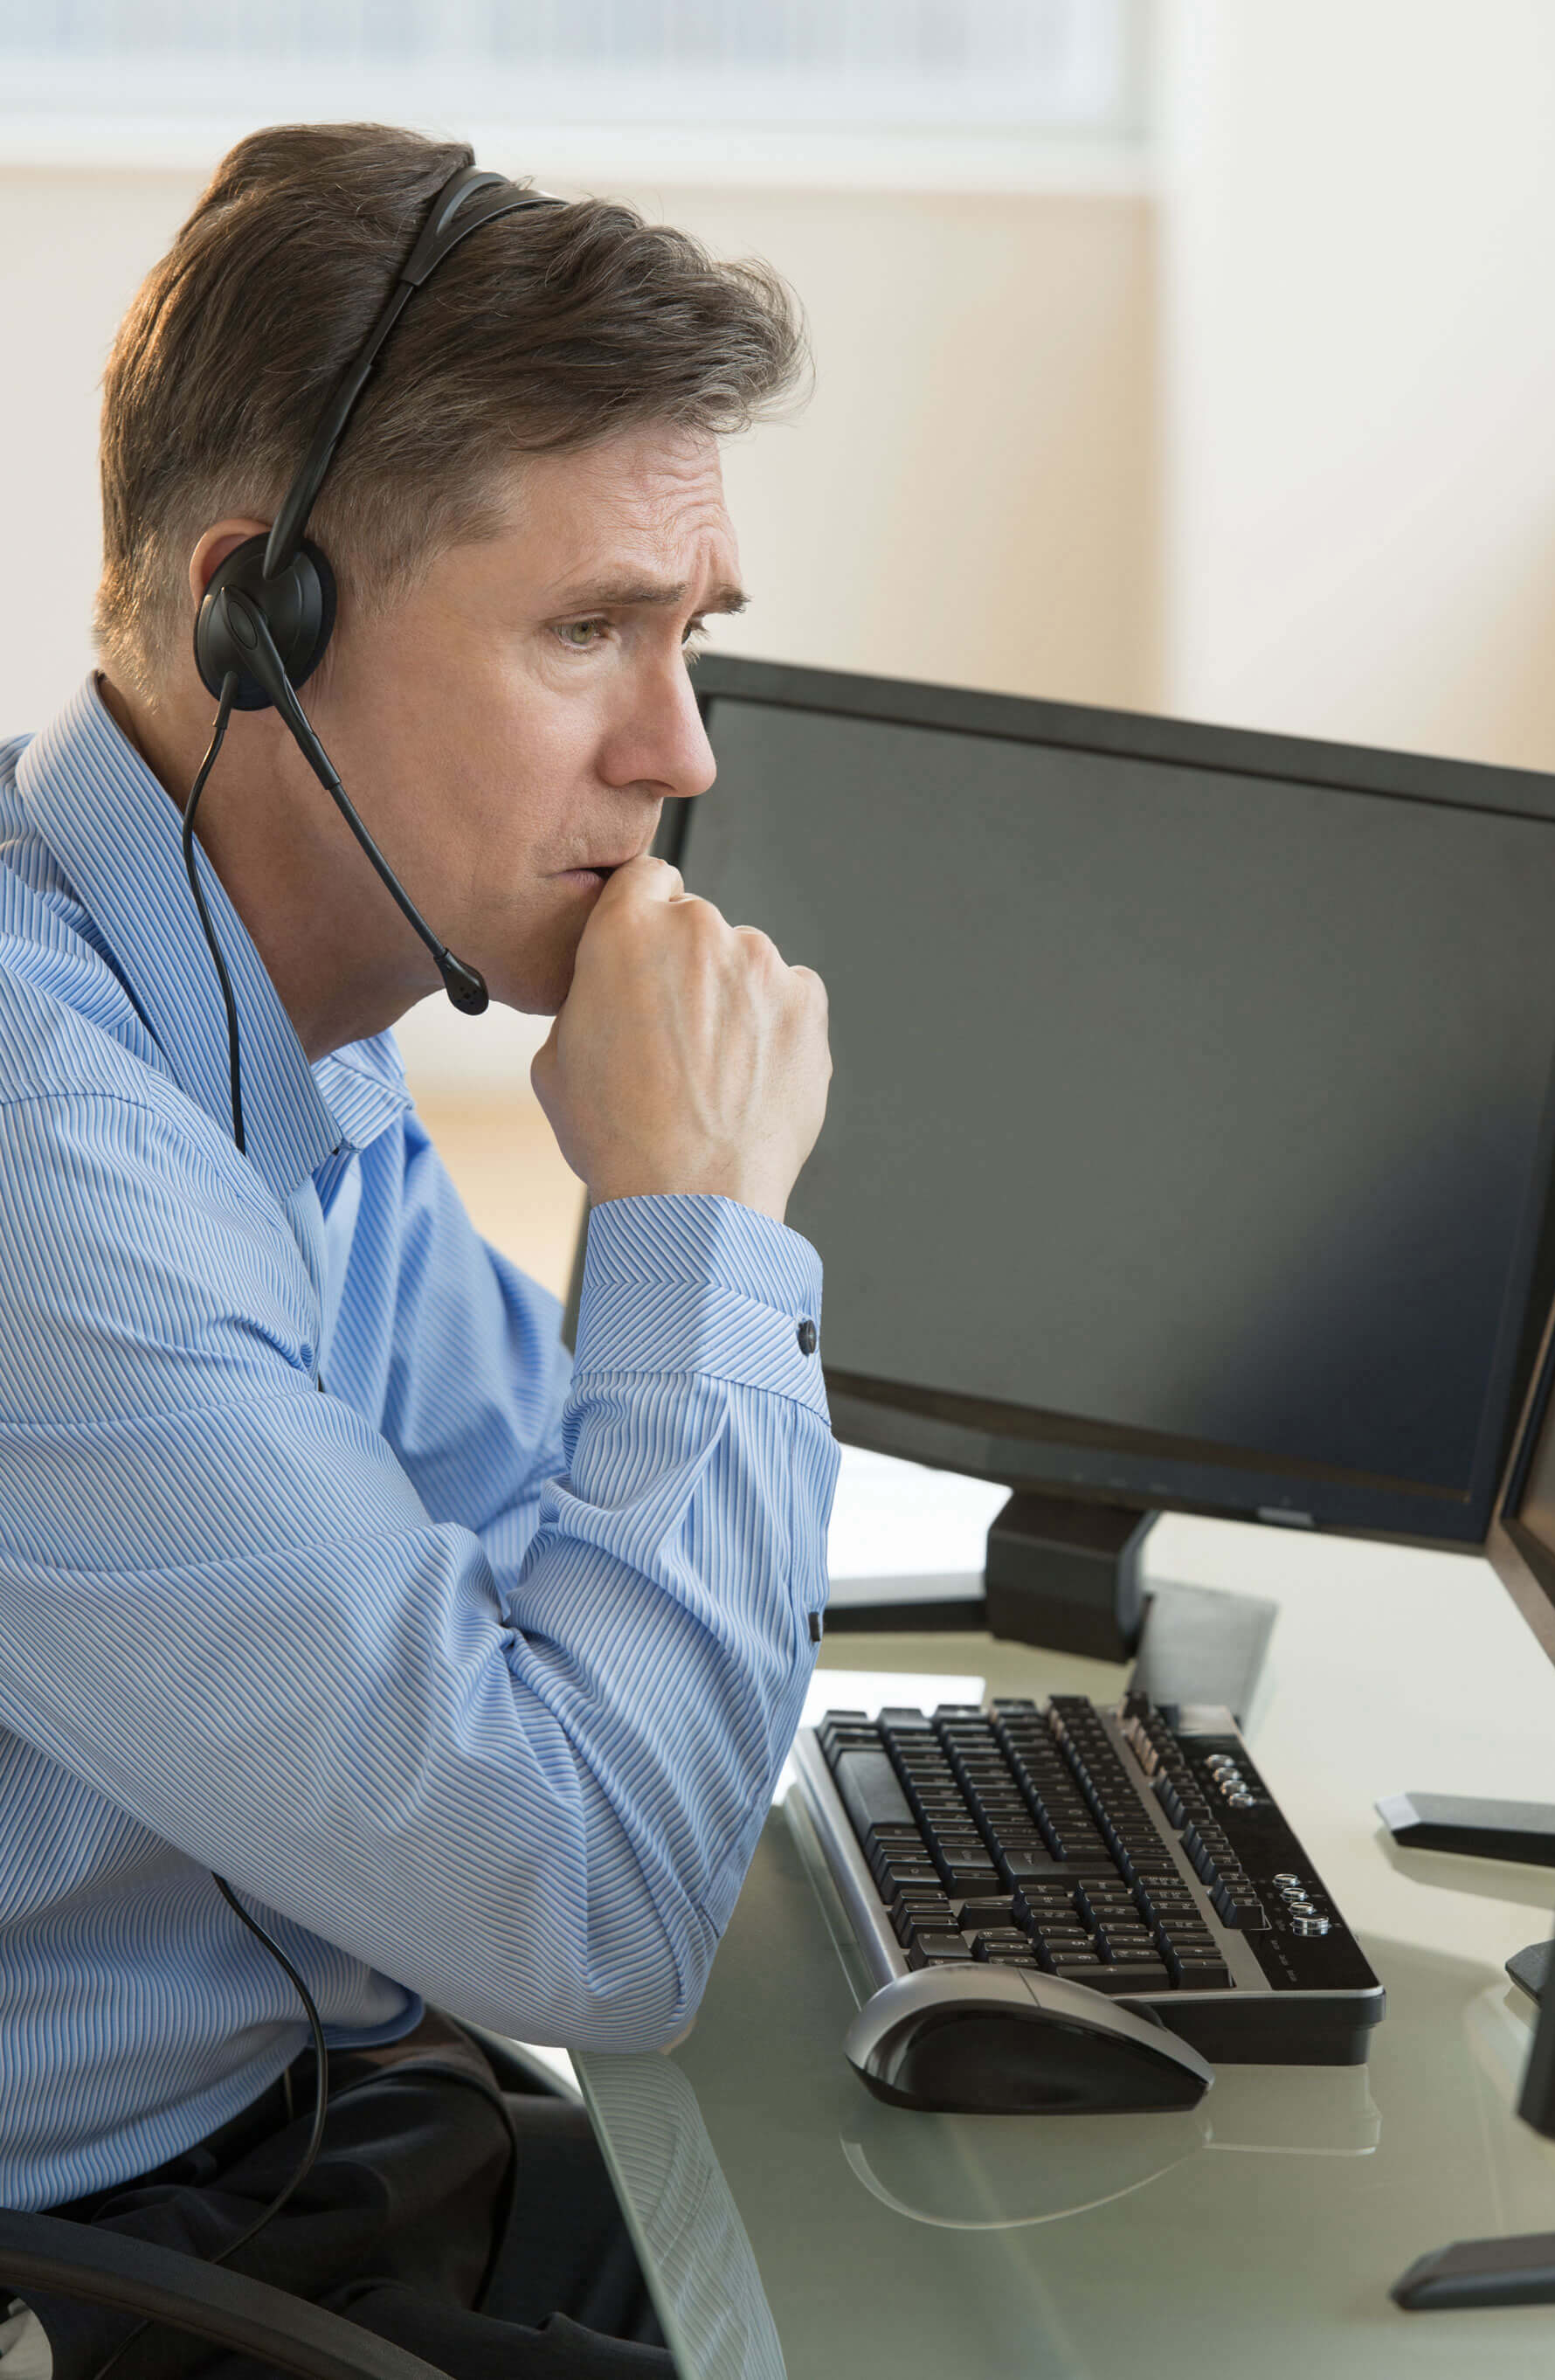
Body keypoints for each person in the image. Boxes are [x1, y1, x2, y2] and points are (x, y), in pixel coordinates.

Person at [0, 121, 836, 2378]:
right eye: (586, 632)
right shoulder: (48, 1163)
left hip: (313, 2128)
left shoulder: (281, 1020)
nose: (679, 750)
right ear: (257, 617)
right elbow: (595, 1901)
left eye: (689, 638)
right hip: (93, 2253)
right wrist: (691, 1220)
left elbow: (542, 1602)